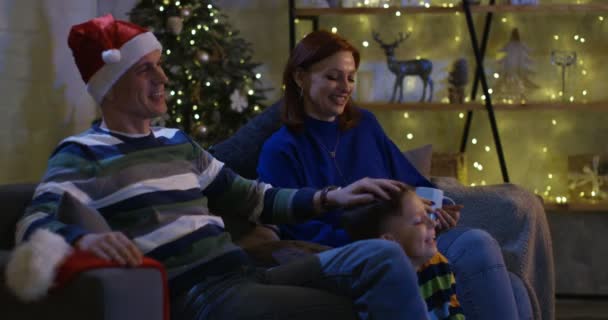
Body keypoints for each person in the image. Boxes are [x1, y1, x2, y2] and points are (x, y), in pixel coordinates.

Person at [15, 15, 432, 320]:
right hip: (200, 296)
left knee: (382, 257)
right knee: (344, 309)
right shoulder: (82, 152)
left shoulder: (177, 143)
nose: (162, 77)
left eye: (160, 64)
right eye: (146, 69)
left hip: (247, 275)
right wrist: (83, 242)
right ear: (110, 84)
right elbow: (34, 221)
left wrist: (330, 197)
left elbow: (254, 198)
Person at [257, 30, 523, 320]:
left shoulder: (365, 125)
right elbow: (298, 231)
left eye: (351, 77)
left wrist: (435, 208)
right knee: (477, 246)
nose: (345, 87)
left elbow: (415, 184)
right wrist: (379, 240)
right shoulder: (279, 150)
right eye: (333, 77)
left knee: (512, 284)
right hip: (361, 254)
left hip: (413, 238)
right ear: (300, 78)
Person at [342, 188, 465, 320]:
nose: (433, 223)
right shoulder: (381, 290)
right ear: (388, 243)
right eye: (418, 221)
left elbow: (454, 312)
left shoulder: (438, 264)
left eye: (428, 215)